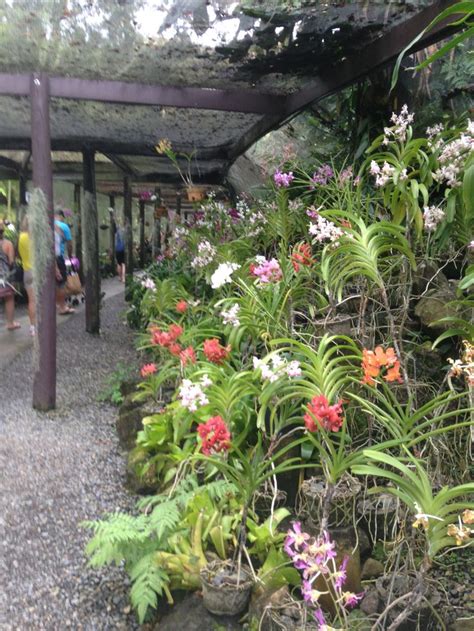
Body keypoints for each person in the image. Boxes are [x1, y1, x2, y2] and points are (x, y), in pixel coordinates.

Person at [0, 218, 20, 330]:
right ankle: (10, 323)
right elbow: (11, 261)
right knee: (9, 298)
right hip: (5, 276)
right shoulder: (8, 244)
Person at [18, 216, 35, 336]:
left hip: (26, 271)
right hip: (37, 271)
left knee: (31, 301)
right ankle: (41, 324)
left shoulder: (21, 237)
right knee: (39, 301)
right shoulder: (34, 238)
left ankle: (32, 326)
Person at [55, 209, 74, 315]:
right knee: (61, 282)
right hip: (59, 256)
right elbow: (69, 243)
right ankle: (62, 307)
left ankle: (57, 304)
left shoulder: (49, 223)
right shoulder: (64, 226)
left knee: (53, 283)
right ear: (61, 216)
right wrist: (70, 255)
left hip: (48, 258)